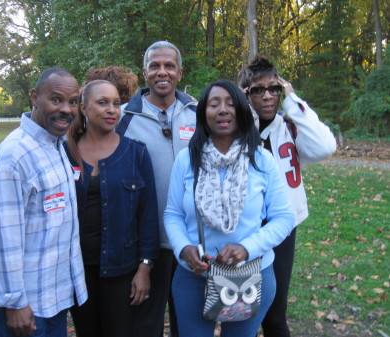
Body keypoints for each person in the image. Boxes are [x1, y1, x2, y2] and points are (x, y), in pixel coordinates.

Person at [164, 79, 295, 337]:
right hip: (194, 278)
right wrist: (183, 248)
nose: (223, 110)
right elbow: (173, 214)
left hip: (252, 275)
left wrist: (247, 248)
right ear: (203, 114)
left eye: (231, 104)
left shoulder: (261, 160)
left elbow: (283, 218)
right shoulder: (187, 160)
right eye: (214, 104)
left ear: (242, 112)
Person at [0, 67, 88, 337]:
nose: (66, 109)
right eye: (56, 100)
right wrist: (14, 302)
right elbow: (1, 239)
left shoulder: (55, 145)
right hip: (27, 309)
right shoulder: (13, 158)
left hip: (54, 297)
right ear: (34, 97)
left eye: (73, 101)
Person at [237, 55, 337, 337]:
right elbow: (245, 139)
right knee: (240, 310)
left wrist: (293, 102)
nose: (268, 96)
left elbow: (325, 146)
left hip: (282, 229)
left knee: (275, 314)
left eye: (274, 89)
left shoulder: (291, 127)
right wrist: (246, 110)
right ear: (246, 94)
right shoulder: (236, 129)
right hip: (245, 229)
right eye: (258, 90)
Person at [65, 80, 159, 337]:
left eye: (116, 103)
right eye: (103, 103)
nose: (112, 109)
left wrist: (144, 268)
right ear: (83, 108)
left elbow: (148, 216)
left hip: (122, 270)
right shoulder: (63, 153)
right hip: (77, 271)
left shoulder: (136, 153)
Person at [116, 40, 197, 337]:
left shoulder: (199, 114)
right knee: (145, 326)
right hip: (145, 245)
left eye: (169, 66)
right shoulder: (121, 117)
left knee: (188, 324)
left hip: (190, 243)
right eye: (155, 66)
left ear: (179, 71)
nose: (162, 72)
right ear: (145, 71)